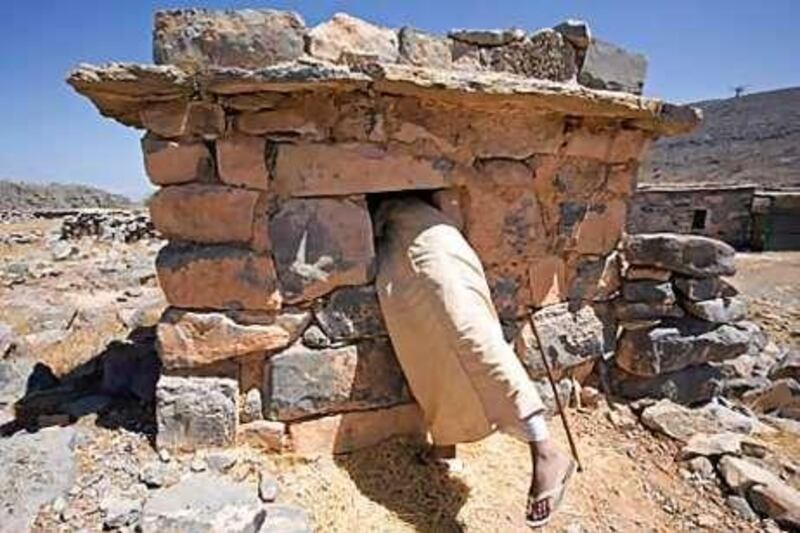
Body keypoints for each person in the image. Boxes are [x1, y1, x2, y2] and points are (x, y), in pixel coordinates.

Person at [374, 196, 576, 528]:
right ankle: (444, 445)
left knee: (476, 342)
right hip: (427, 249)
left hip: (429, 252)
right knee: (428, 348)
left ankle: (545, 451)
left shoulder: (402, 211)